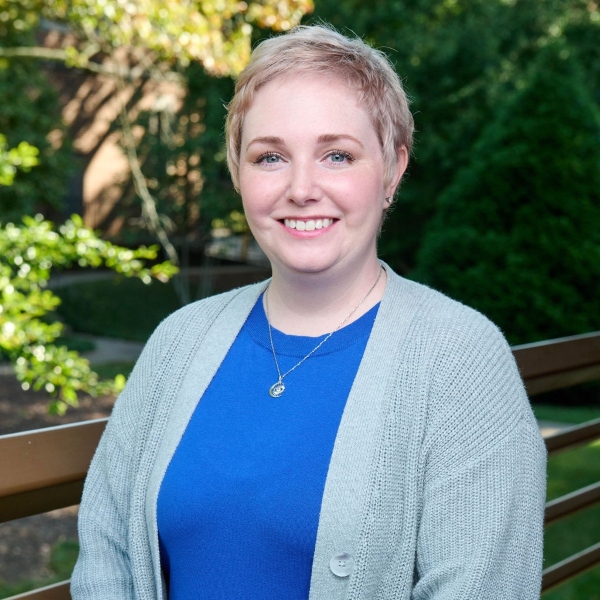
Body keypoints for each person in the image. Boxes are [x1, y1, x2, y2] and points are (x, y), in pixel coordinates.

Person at [71, 24, 546, 599]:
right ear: (238, 173)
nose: (301, 188)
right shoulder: (179, 340)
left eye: (337, 155)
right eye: (270, 157)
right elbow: (107, 550)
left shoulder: (462, 360)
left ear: (393, 170)